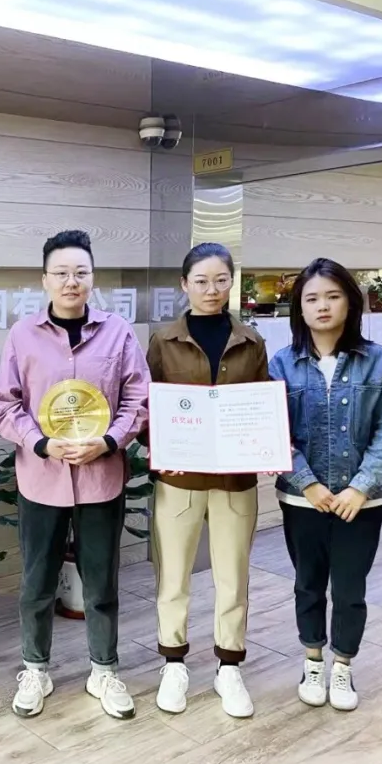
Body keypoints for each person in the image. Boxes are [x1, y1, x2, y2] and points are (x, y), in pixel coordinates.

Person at [0, 229, 150, 720]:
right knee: (37, 581)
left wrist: (109, 441)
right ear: (44, 279)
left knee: (101, 582)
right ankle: (35, 669)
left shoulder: (118, 332)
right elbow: (5, 406)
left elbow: (137, 399)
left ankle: (104, 670)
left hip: (101, 478)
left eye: (80, 272)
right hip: (41, 478)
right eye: (61, 272)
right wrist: (40, 442)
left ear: (92, 278)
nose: (71, 281)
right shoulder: (22, 335)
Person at [268, 258, 382, 712]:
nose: (322, 306)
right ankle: (312, 660)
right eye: (311, 299)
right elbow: (273, 434)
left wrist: (360, 488)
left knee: (349, 589)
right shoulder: (282, 363)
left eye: (332, 296)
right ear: (299, 308)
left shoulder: (378, 362)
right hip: (301, 500)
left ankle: (342, 664)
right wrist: (307, 483)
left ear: (350, 302)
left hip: (360, 504)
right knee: (308, 584)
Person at [146, 242, 269, 719]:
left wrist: (266, 446)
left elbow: (261, 407)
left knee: (233, 577)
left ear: (231, 282)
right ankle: (173, 664)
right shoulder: (163, 341)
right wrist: (160, 447)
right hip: (179, 480)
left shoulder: (251, 341)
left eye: (221, 280)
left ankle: (229, 667)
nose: (212, 290)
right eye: (201, 281)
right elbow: (147, 405)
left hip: (236, 480)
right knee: (173, 575)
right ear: (184, 285)